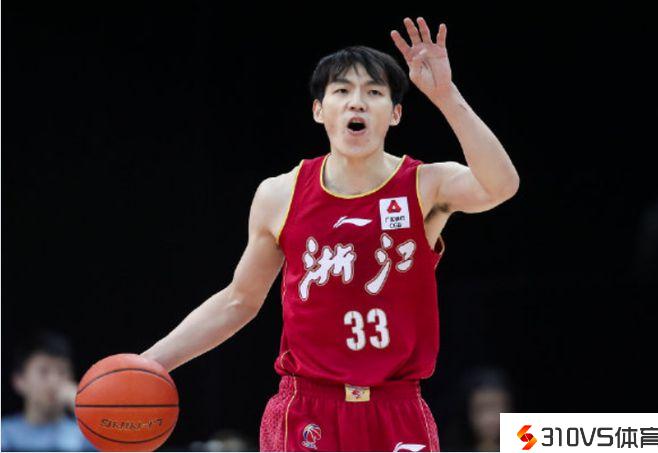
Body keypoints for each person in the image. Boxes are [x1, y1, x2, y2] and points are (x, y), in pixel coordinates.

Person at [140, 16, 519, 451]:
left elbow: (501, 186)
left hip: (396, 407)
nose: (357, 103)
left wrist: (446, 96)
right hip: (307, 408)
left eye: (374, 93)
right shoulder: (280, 194)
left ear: (395, 114)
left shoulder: (424, 185)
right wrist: (150, 362)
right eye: (342, 91)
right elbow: (238, 301)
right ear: (319, 110)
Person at [1, 330, 97, 451]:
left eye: (62, 372)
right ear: (19, 380)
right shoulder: (5, 434)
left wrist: (83, 406)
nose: (54, 381)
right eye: (43, 372)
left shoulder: (85, 437)